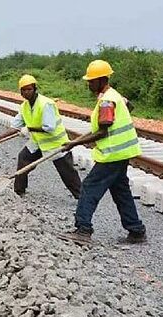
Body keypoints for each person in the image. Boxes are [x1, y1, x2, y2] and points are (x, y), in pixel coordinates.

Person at [59, 60, 146, 244]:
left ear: (101, 80)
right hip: (122, 153)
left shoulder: (107, 101)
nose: (89, 84)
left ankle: (83, 230)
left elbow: (102, 131)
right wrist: (74, 141)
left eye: (91, 81)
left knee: (89, 187)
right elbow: (129, 106)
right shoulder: (114, 96)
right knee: (121, 191)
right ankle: (136, 231)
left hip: (112, 154)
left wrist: (74, 144)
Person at [0, 74, 81, 198]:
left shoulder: (46, 104)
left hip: (55, 144)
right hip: (38, 143)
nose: (27, 92)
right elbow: (15, 126)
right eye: (24, 90)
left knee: (67, 172)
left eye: (29, 89)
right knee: (23, 158)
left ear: (35, 89)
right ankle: (18, 191)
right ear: (20, 92)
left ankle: (81, 197)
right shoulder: (24, 107)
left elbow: (49, 127)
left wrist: (29, 128)